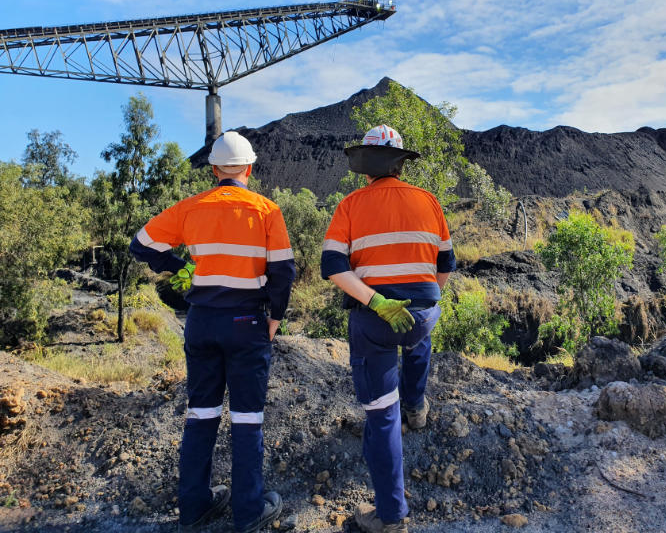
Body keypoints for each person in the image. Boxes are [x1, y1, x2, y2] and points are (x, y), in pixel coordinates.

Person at [129, 131, 295, 532]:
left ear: (215, 169)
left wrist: (179, 265)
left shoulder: (191, 208)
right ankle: (247, 511)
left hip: (201, 322)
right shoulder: (267, 210)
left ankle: (195, 507)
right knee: (247, 418)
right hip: (246, 323)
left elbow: (141, 244)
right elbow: (283, 270)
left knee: (201, 414)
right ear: (249, 169)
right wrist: (275, 317)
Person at [321, 124, 456, 533]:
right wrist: (427, 304)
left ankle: (392, 518)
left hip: (374, 321)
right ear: (400, 165)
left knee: (381, 415)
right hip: (422, 312)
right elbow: (445, 266)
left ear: (366, 167)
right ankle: (416, 407)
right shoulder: (428, 200)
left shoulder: (350, 205)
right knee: (417, 336)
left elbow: (332, 268)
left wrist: (376, 300)